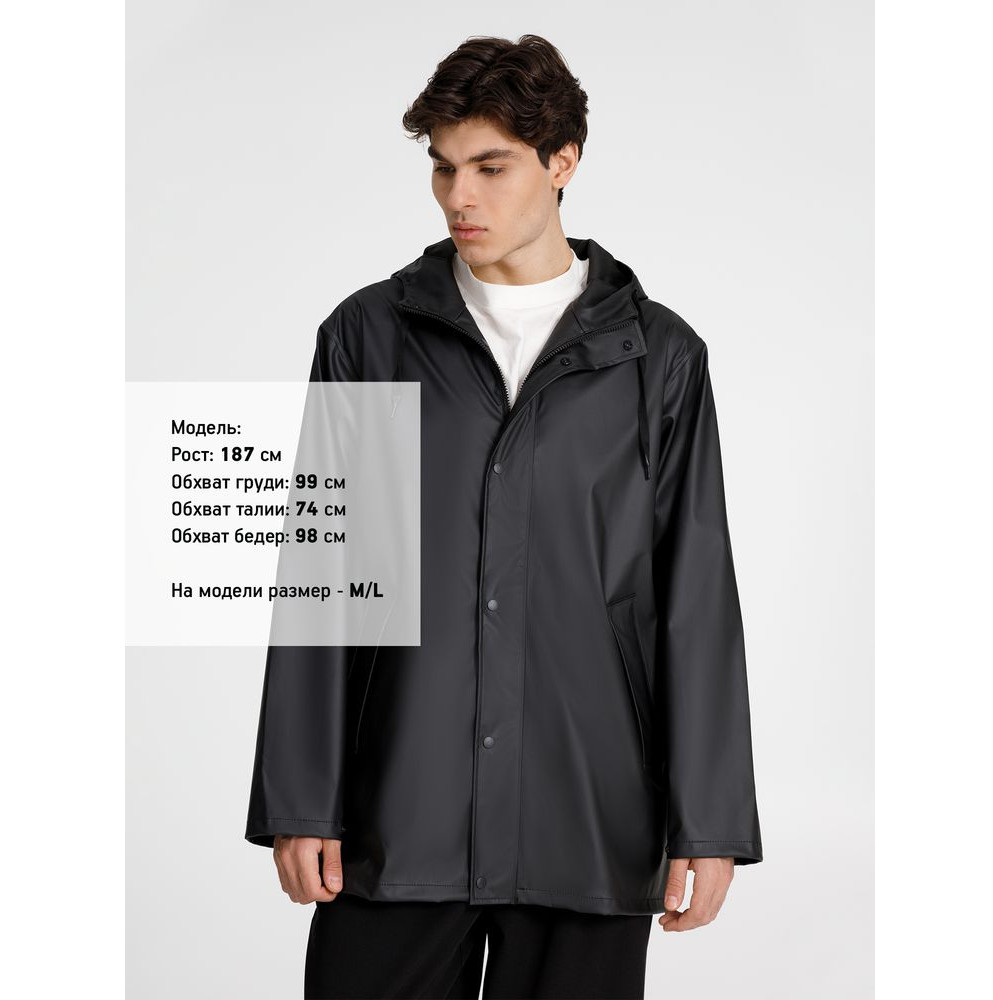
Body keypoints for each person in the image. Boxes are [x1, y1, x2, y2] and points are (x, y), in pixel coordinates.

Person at [246, 33, 764, 1000]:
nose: (459, 197)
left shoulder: (658, 358)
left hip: (589, 812)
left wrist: (710, 820)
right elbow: (323, 577)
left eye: (491, 167)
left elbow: (695, 595)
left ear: (563, 162)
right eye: (443, 168)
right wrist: (300, 797)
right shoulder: (369, 337)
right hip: (399, 811)